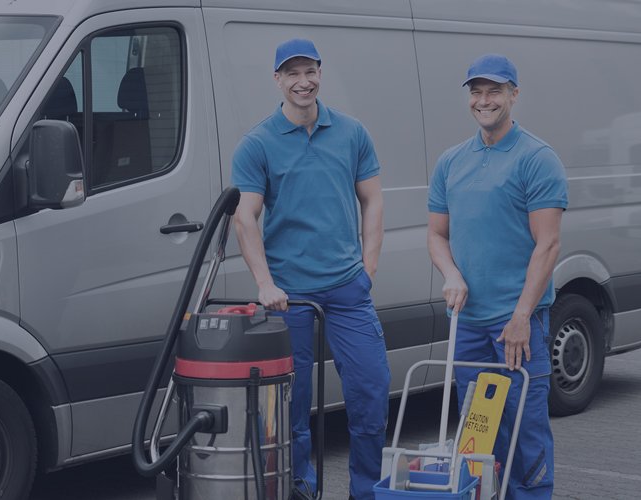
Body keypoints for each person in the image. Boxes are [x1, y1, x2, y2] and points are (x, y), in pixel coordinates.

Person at [231, 38, 390, 500]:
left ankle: (366, 490)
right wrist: (265, 284)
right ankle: (300, 488)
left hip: (347, 290)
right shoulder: (258, 143)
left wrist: (369, 268)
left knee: (371, 389)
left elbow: (373, 198)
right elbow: (245, 218)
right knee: (288, 407)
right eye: (292, 73)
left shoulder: (352, 132)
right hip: (290, 297)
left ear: (320, 72)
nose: (303, 82)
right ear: (278, 79)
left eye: (309, 71)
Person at [426, 54, 567, 499]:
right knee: (480, 436)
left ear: (514, 95)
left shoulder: (537, 158)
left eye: (494, 91)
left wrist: (522, 315)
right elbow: (435, 235)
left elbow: (548, 245)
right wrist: (451, 273)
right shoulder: (451, 162)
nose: (484, 100)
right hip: (467, 325)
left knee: (525, 431)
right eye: (476, 92)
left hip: (517, 325)